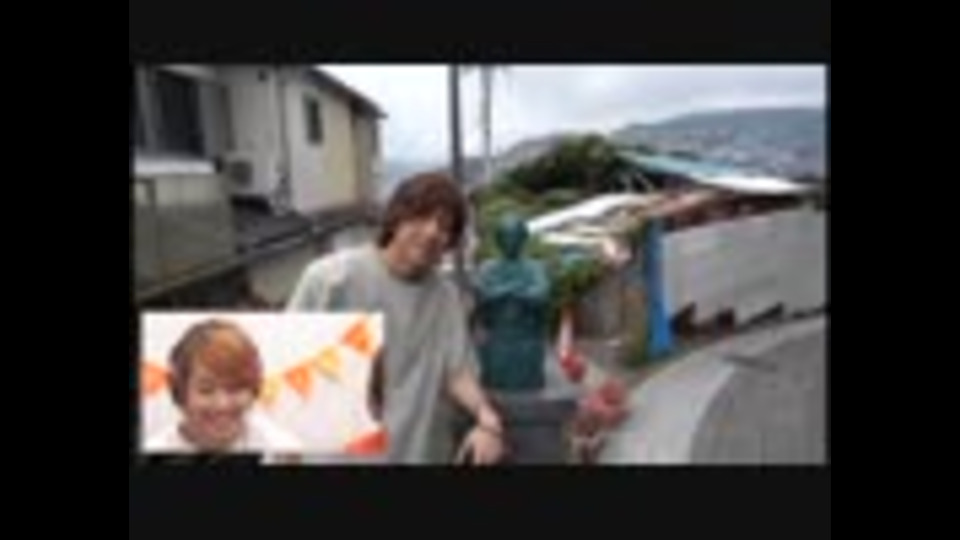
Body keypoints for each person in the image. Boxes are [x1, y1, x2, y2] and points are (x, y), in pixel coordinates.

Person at [286, 173, 506, 465]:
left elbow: (456, 372)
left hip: (418, 452)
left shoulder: (445, 297)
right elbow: (285, 374)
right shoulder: (331, 280)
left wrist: (487, 419)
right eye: (422, 216)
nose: (432, 232)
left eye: (444, 227)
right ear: (396, 217)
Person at [147, 318, 303, 455]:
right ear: (180, 391)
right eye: (206, 390)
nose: (222, 404)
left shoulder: (282, 447)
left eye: (235, 389)